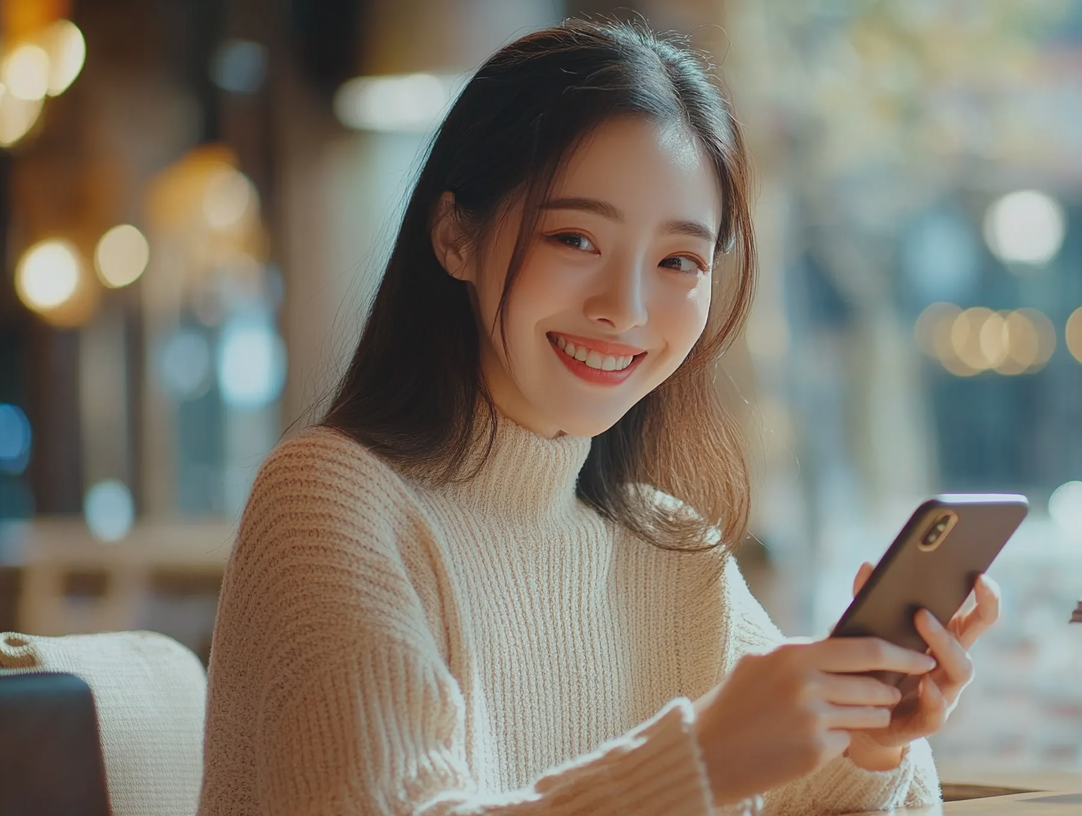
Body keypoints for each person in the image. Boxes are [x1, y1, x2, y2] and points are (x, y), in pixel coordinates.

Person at [199, 18, 1000, 816]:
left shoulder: (669, 549)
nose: (624, 308)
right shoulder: (331, 500)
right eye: (576, 239)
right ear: (455, 236)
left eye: (678, 261)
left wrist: (874, 742)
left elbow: (815, 793)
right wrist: (705, 760)